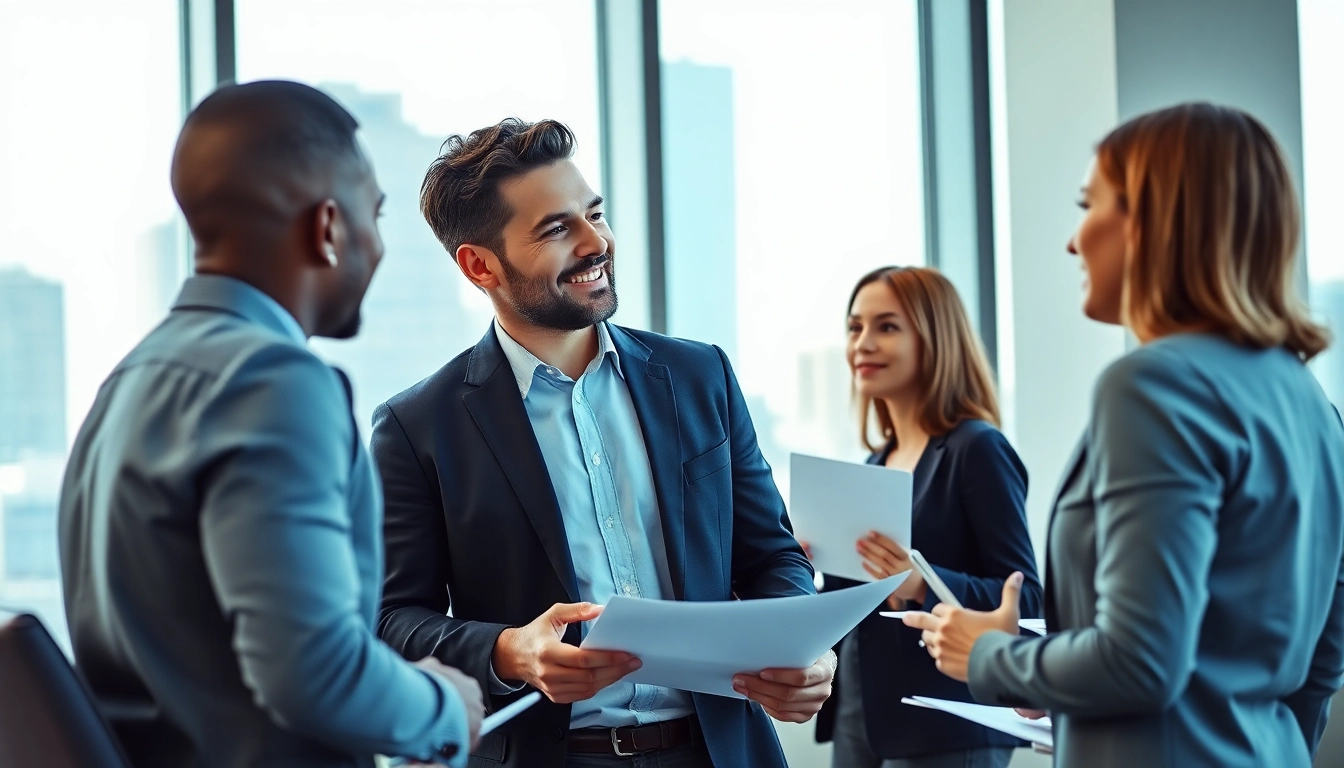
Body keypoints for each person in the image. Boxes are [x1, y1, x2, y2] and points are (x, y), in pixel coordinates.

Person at [370, 117, 831, 768]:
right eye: (557, 229)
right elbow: (392, 619)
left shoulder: (701, 377)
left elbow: (772, 557)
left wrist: (798, 645)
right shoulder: (418, 426)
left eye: (595, 214)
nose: (597, 243)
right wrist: (512, 651)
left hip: (719, 752)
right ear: (480, 265)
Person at [58, 80, 482, 768]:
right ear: (326, 228)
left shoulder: (128, 382)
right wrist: (443, 706)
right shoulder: (276, 384)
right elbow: (311, 671)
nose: (377, 245)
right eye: (372, 214)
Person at [906, 102, 1344, 767]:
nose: (1073, 240)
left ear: (1153, 221)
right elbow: (1322, 655)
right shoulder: (1307, 397)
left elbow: (1141, 660)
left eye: (1089, 206)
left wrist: (994, 656)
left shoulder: (1152, 386)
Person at [809, 266, 1042, 768]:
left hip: (947, 721)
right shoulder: (876, 464)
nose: (863, 344)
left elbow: (1026, 598)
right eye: (855, 328)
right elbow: (861, 602)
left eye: (886, 327)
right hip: (863, 716)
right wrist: (807, 571)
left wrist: (922, 584)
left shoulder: (976, 449)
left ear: (935, 340)